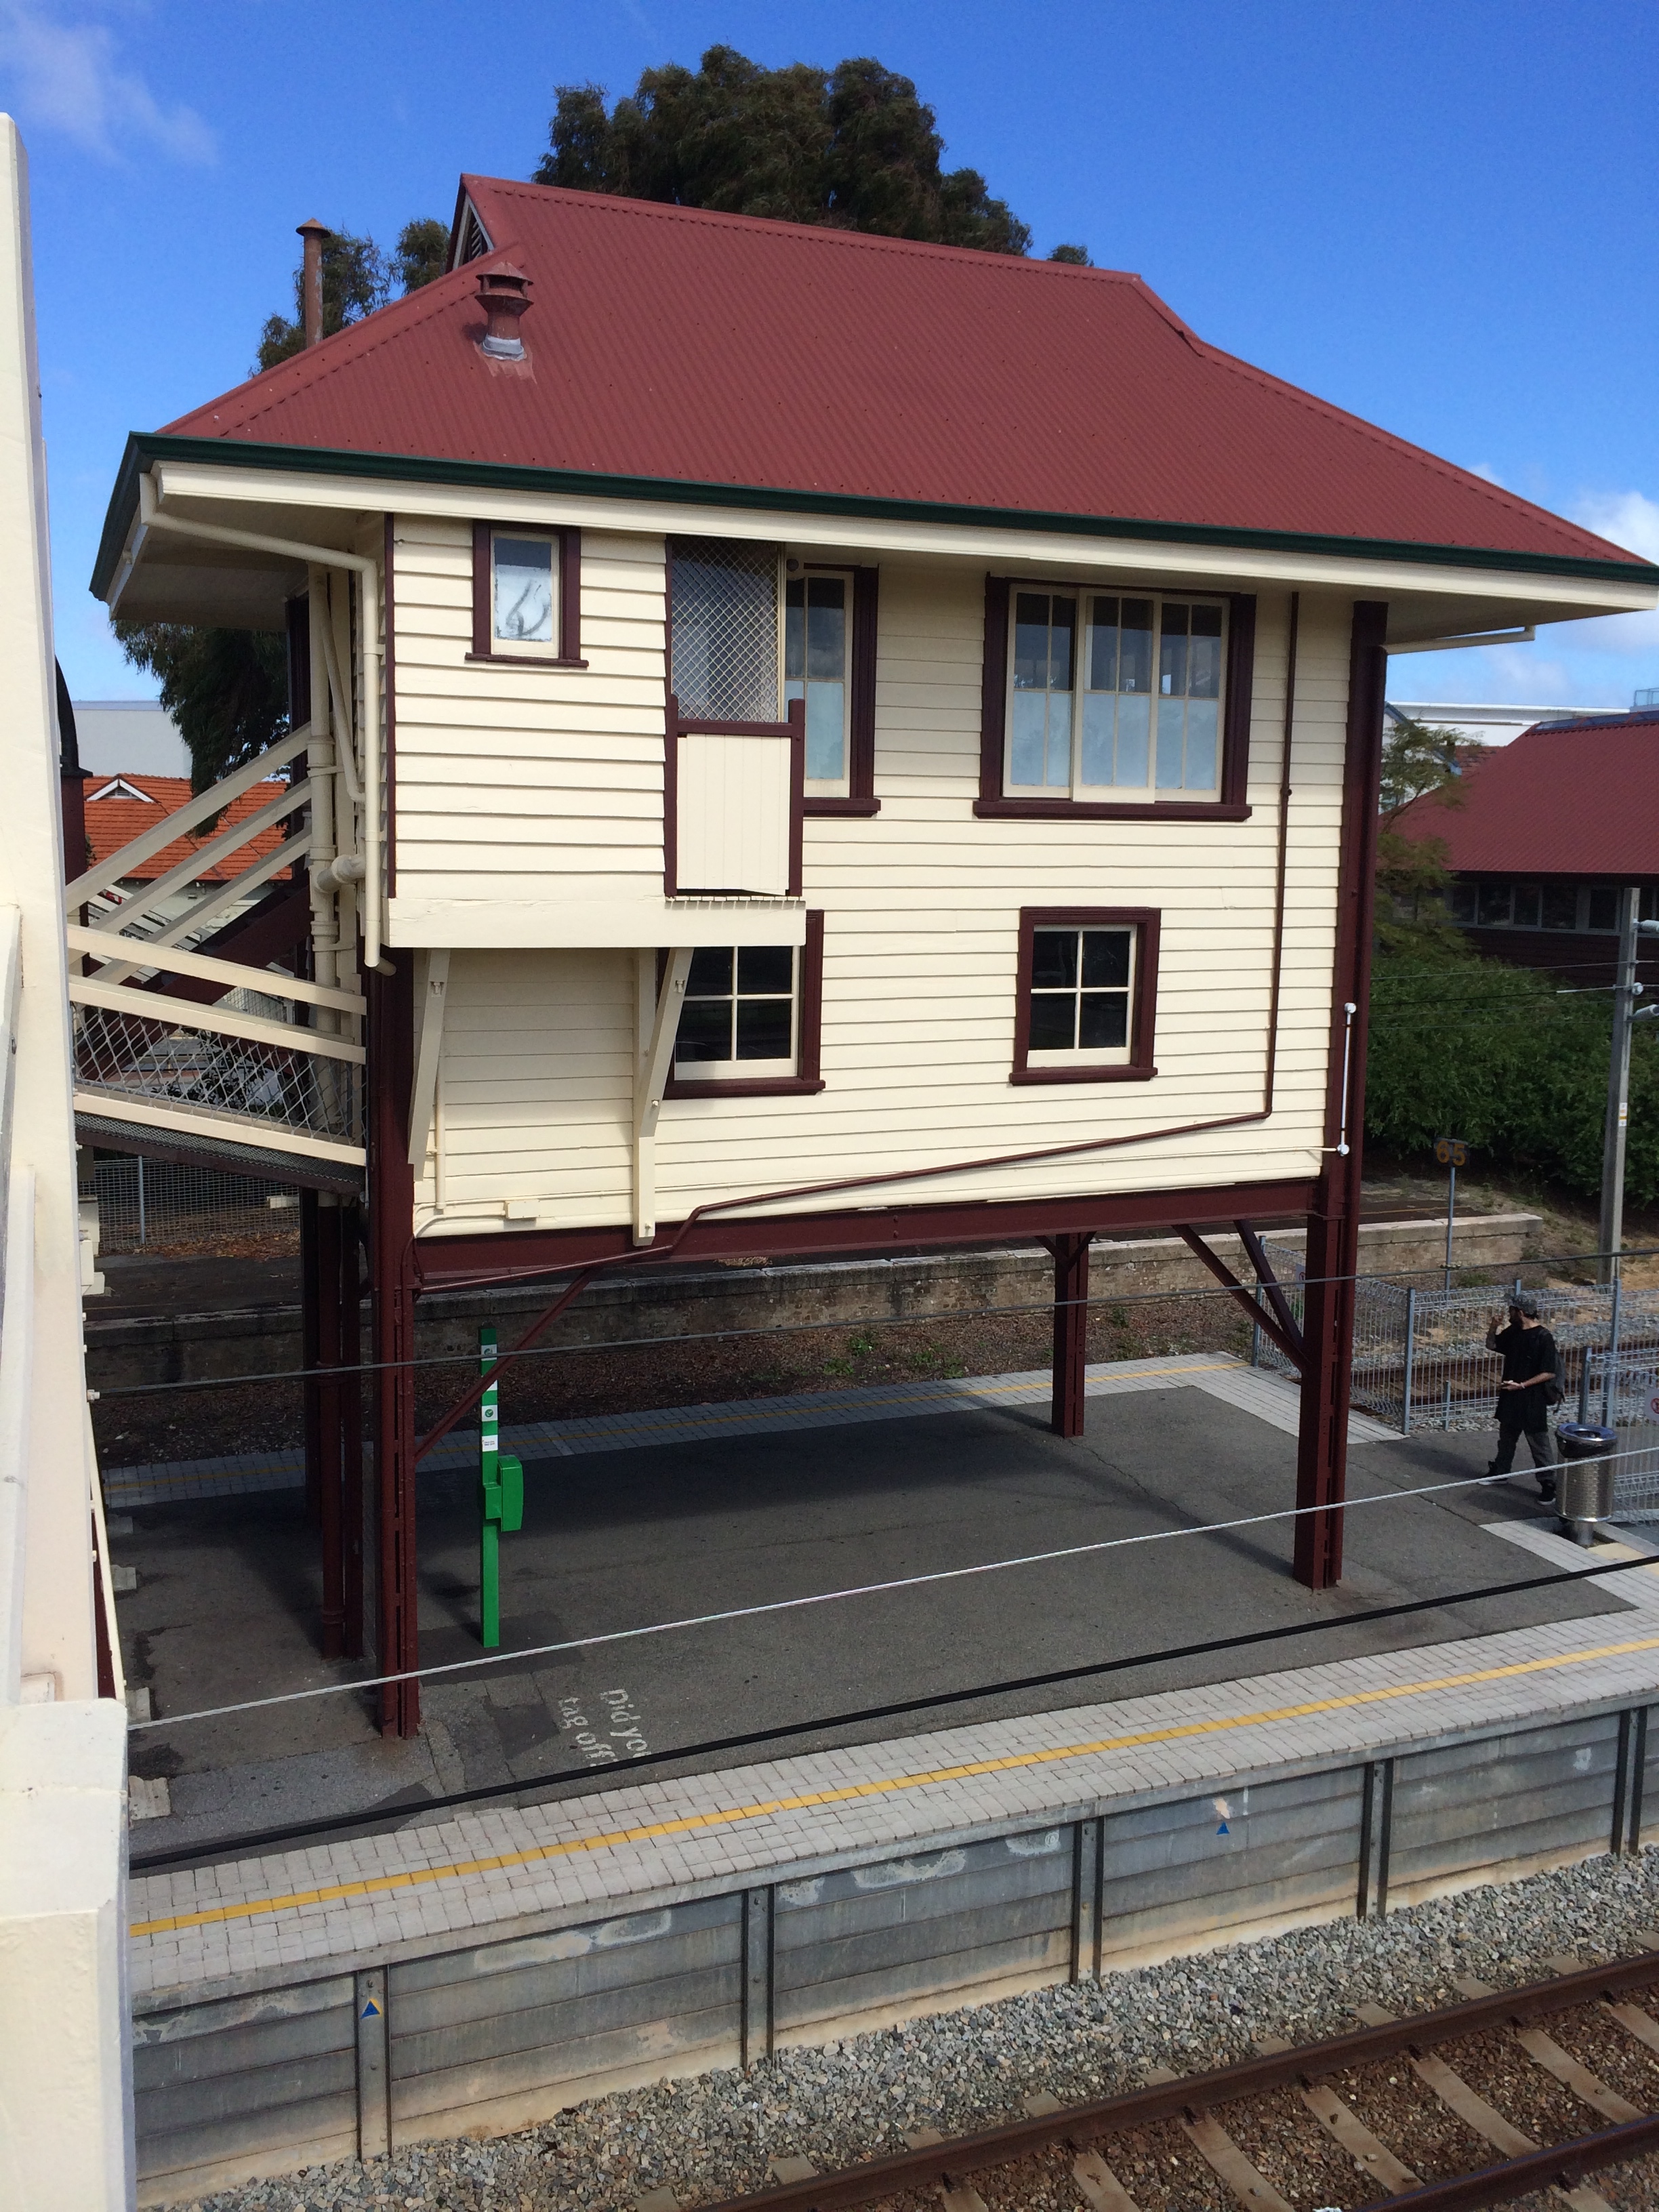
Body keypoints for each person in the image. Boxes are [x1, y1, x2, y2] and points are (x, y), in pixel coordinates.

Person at [1485, 1293, 1560, 1498]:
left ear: (1520, 1312)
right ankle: (1500, 1471)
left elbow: (1549, 1372)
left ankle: (1548, 1484)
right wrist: (1493, 1327)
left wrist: (1522, 1385)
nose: (1508, 1313)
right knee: (1506, 1438)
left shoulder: (1543, 1337)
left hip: (1531, 1398)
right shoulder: (1514, 1331)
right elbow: (1492, 1345)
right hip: (1511, 1395)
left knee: (1538, 1443)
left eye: (1511, 1310)